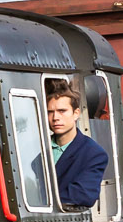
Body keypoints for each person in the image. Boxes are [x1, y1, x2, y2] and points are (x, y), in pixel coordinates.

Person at [45, 79, 109, 210]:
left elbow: (83, 194)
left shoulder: (94, 154)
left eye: (62, 111)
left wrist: (43, 202)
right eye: (50, 112)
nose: (55, 117)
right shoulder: (38, 149)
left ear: (76, 114)